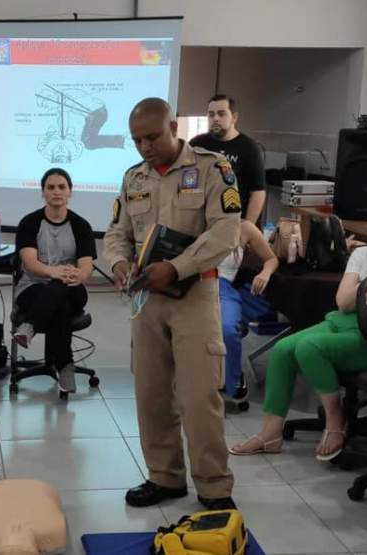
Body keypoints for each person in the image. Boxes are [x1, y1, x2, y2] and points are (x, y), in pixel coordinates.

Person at [230, 187, 367, 461]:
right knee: (282, 350)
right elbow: (343, 302)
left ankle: (335, 418)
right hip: (341, 322)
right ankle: (271, 433)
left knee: (308, 347)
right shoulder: (362, 254)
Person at [104, 98, 241, 509]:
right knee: (152, 395)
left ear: (174, 126)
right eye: (136, 140)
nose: (144, 146)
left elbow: (226, 232)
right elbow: (116, 233)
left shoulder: (212, 168)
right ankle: (165, 478)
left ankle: (214, 487)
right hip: (147, 300)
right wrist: (119, 263)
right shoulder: (133, 178)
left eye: (152, 136)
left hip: (194, 297)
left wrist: (177, 267)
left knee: (200, 397)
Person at [13, 168, 97, 393]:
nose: (56, 192)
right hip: (33, 287)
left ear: (70, 192)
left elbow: (86, 265)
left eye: (62, 187)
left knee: (61, 288)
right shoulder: (30, 222)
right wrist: (54, 272)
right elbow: (30, 264)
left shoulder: (81, 225)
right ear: (43, 193)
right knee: (60, 304)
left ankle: (29, 326)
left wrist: (78, 274)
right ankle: (65, 366)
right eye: (50, 187)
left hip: (72, 286)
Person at [218, 219, 278, 402]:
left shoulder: (244, 228)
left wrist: (265, 273)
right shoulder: (193, 221)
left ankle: (233, 377)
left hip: (223, 287)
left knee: (227, 329)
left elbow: (271, 258)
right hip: (194, 286)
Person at [189, 94, 266, 225]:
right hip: (201, 221)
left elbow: (258, 192)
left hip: (233, 222)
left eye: (221, 114)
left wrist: (247, 226)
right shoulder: (197, 144)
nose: (215, 119)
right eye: (211, 114)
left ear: (234, 117)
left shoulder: (249, 147)